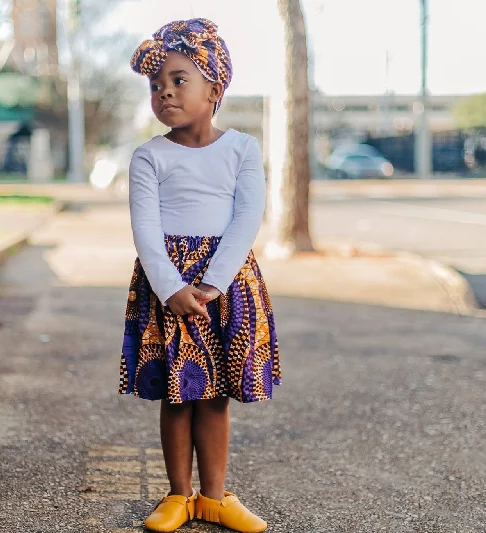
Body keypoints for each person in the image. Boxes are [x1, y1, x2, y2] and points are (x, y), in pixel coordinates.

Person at [118, 18, 281, 533]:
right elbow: (146, 230)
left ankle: (214, 497)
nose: (165, 91)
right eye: (156, 85)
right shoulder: (149, 156)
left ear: (215, 89)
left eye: (178, 80)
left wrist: (212, 284)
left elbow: (245, 220)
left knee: (214, 396)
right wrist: (171, 289)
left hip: (224, 286)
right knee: (178, 392)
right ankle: (177, 496)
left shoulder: (241, 149)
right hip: (168, 286)